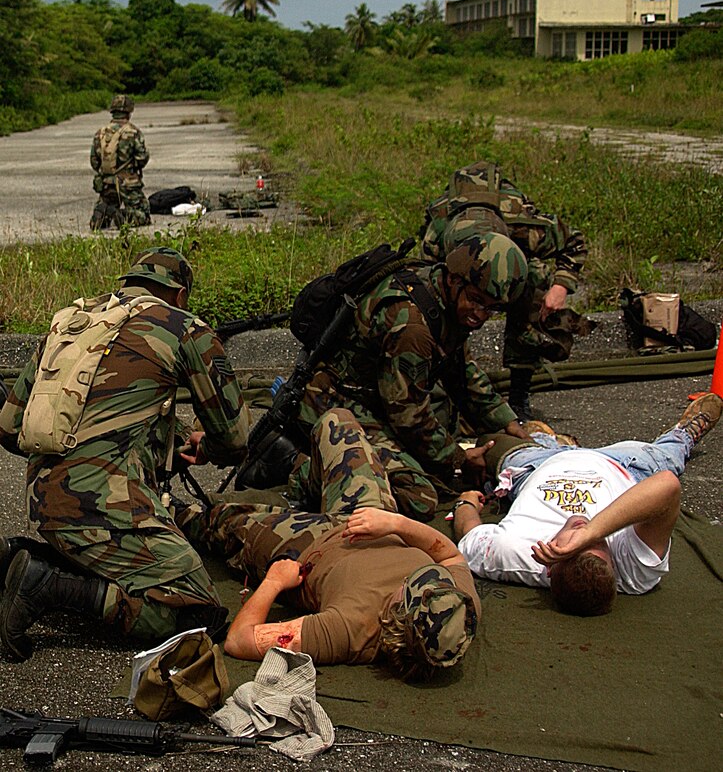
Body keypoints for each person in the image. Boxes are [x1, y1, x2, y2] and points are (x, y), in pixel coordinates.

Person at [0, 247, 251, 661]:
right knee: (199, 611)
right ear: (180, 294)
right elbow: (236, 438)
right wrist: (204, 445)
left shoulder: (74, 322)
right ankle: (49, 585)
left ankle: (13, 554)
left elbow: (9, 428)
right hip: (106, 510)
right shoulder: (183, 328)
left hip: (44, 502)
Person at [176, 407, 480, 680]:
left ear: (400, 617)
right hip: (369, 519)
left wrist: (273, 582)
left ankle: (171, 507)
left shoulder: (349, 632)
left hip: (307, 547)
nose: (424, 577)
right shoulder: (456, 603)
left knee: (219, 519)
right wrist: (395, 523)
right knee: (337, 421)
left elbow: (240, 640)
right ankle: (299, 475)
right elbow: (451, 557)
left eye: (414, 586)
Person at [296, 233, 531, 521]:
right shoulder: (413, 326)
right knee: (420, 495)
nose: (480, 315)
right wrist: (458, 459)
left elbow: (462, 371)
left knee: (443, 436)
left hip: (378, 398)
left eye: (492, 308)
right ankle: (297, 468)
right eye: (476, 301)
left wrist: (507, 421)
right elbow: (409, 417)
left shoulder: (439, 294)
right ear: (454, 280)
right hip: (336, 405)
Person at [452, 392, 723, 615]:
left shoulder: (511, 555)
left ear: (550, 567)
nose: (582, 531)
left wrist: (465, 504)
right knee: (669, 459)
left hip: (536, 466)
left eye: (575, 546)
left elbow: (470, 534)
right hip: (623, 464)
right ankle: (683, 434)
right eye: (597, 545)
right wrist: (591, 532)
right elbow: (666, 486)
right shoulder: (634, 573)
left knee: (489, 445)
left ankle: (547, 440)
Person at [421, 160, 590, 420]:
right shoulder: (437, 239)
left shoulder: (524, 229)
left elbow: (575, 242)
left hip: (515, 256)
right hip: (451, 272)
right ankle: (443, 385)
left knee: (536, 275)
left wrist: (561, 286)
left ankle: (520, 391)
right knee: (434, 308)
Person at [90, 94, 151, 230]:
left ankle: (101, 216)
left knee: (106, 204)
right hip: (128, 184)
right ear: (129, 112)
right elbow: (142, 158)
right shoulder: (133, 132)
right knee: (143, 215)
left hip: (106, 184)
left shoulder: (100, 133)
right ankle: (124, 217)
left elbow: (94, 161)